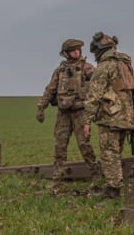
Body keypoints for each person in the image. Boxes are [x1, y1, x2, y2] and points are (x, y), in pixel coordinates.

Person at [36, 39, 101, 193]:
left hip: (80, 112)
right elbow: (50, 89)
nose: (77, 52)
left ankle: (97, 175)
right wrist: (41, 107)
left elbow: (99, 84)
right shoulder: (60, 70)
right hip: (63, 114)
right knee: (60, 146)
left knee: (84, 145)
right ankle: (57, 179)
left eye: (78, 49)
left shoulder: (87, 68)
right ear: (66, 53)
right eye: (73, 50)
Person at [83, 32, 134, 199]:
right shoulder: (124, 64)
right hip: (126, 116)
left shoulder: (104, 66)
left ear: (99, 50)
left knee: (109, 154)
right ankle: (114, 184)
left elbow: (94, 95)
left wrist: (86, 121)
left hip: (110, 117)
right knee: (116, 152)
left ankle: (113, 190)